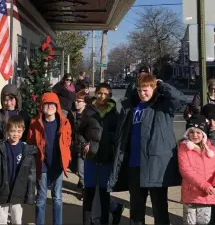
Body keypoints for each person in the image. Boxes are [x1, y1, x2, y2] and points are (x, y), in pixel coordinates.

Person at [108, 73, 182, 225]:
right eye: (140, 90)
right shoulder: (131, 106)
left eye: (146, 90)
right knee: (136, 210)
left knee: (160, 209)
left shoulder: (163, 105)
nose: (143, 93)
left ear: (154, 88)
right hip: (135, 165)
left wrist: (162, 85)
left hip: (156, 166)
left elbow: (180, 100)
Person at [78, 83, 124, 225]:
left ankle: (105, 221)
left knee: (104, 195)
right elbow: (79, 132)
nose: (102, 96)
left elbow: (119, 135)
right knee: (89, 193)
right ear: (95, 94)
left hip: (106, 159)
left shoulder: (115, 114)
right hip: (91, 158)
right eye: (99, 93)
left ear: (109, 95)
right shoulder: (88, 111)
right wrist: (84, 144)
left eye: (105, 94)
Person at [26, 92, 72, 225]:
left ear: (57, 106)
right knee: (41, 199)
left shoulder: (64, 123)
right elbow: (30, 143)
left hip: (57, 165)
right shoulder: (35, 123)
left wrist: (66, 157)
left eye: (52, 104)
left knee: (57, 198)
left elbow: (68, 140)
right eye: (46, 104)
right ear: (41, 106)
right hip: (42, 165)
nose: (49, 107)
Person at [0, 115, 38, 225]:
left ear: (23, 131)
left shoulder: (27, 150)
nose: (16, 134)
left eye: (19, 131)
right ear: (7, 130)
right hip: (2, 189)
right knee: (1, 218)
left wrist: (30, 194)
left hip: (18, 190)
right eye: (13, 131)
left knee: (17, 219)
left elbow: (31, 175)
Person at [178, 115, 215, 225]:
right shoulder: (184, 148)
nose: (195, 135)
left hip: (207, 194)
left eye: (198, 132)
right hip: (191, 194)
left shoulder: (211, 149)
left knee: (204, 221)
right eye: (192, 132)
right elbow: (186, 170)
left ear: (203, 134)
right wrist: (205, 185)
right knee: (189, 222)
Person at [67, 90, 88, 191]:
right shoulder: (72, 113)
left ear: (85, 103)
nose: (76, 103)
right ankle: (81, 182)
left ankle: (85, 190)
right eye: (76, 100)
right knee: (74, 168)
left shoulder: (88, 115)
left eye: (79, 101)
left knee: (81, 170)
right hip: (74, 145)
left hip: (83, 146)